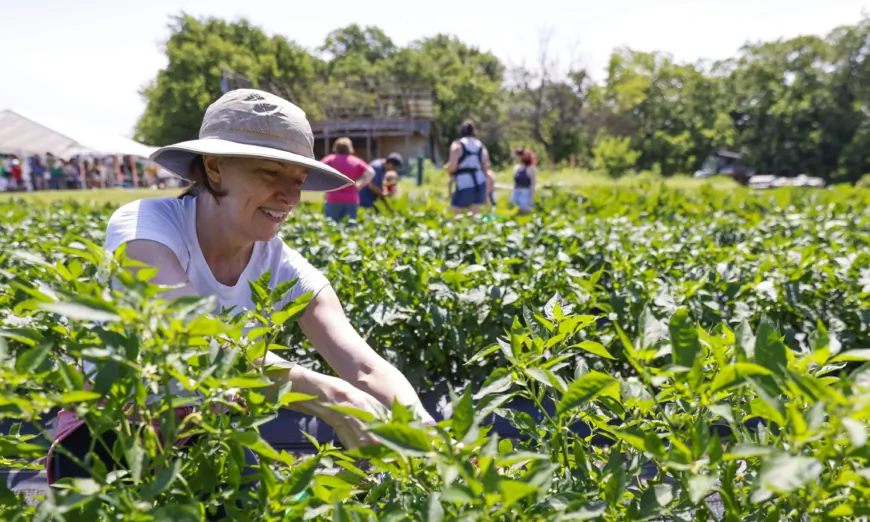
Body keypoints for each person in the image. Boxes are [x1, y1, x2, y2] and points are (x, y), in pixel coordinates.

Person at [45, 89, 436, 496]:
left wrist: (425, 429)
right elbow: (192, 338)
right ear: (214, 168)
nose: (290, 197)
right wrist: (330, 395)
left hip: (207, 434)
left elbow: (364, 366)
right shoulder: (145, 225)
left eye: (298, 181)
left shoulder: (282, 264)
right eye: (270, 173)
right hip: (112, 433)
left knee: (251, 494)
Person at [320, 137, 374, 222]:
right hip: (351, 199)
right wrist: (360, 185)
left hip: (333, 198)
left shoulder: (330, 159)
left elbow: (317, 170)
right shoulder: (356, 161)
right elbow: (371, 173)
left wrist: (326, 184)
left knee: (331, 229)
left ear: (336, 148)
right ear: (350, 148)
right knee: (350, 229)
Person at [444, 119, 491, 215]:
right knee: (474, 219)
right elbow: (485, 168)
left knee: (453, 218)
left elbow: (452, 166)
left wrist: (445, 167)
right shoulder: (481, 146)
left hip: (464, 184)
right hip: (479, 185)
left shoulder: (457, 145)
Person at [511, 148, 537, 215]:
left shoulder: (531, 169)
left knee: (525, 213)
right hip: (516, 192)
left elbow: (532, 185)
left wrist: (531, 198)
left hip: (525, 193)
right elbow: (515, 183)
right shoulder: (516, 168)